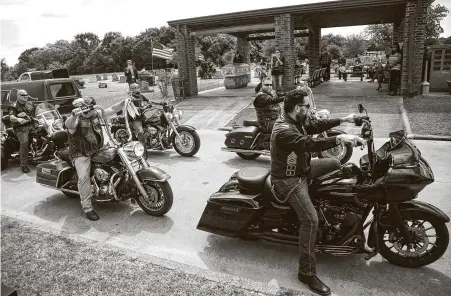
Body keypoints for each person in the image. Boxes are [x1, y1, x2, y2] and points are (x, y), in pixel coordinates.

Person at [270, 89, 365, 295]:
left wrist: (345, 119)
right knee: (310, 221)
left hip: (303, 169)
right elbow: (308, 143)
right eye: (307, 106)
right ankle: (306, 272)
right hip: (288, 180)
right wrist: (340, 139)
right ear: (298, 108)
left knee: (335, 163)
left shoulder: (295, 120)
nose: (310, 109)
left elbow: (316, 126)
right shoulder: (284, 130)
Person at [65, 97, 128, 221]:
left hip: (98, 149)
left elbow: (113, 109)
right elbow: (69, 124)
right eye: (85, 109)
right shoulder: (76, 119)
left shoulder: (96, 114)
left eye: (90, 108)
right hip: (81, 154)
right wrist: (73, 115)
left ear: (94, 107)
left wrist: (125, 101)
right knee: (83, 178)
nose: (87, 111)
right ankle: (87, 208)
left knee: (119, 160)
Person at [8, 89, 36, 173]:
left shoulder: (30, 104)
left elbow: (38, 110)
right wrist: (18, 119)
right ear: (18, 96)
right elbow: (11, 117)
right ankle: (23, 165)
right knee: (24, 143)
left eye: (26, 95)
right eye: (23, 95)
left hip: (32, 125)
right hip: (21, 128)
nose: (26, 96)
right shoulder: (14, 106)